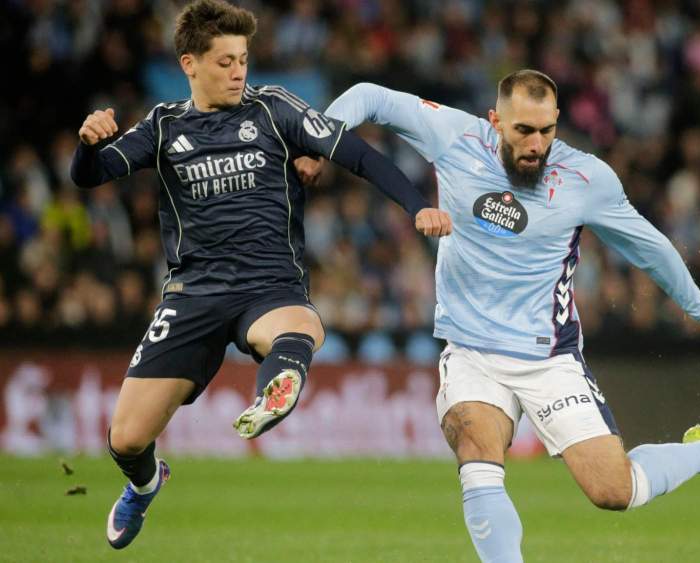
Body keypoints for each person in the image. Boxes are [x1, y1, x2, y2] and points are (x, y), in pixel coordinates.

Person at [300, 70, 700, 563]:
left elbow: (648, 245)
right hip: (470, 348)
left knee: (615, 492)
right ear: (495, 121)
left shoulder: (586, 179)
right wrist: (319, 142)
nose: (536, 144)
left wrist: (699, 308)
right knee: (476, 448)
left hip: (548, 357)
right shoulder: (453, 135)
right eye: (522, 131)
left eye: (546, 131)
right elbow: (367, 97)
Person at [70, 0, 451, 550]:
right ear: (189, 64)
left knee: (298, 328)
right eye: (224, 61)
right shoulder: (164, 125)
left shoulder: (274, 109)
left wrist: (417, 205)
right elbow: (91, 177)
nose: (238, 71)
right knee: (125, 439)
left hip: (268, 285)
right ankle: (147, 483)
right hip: (193, 295)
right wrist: (88, 146)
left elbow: (357, 155)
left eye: (243, 58)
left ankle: (280, 382)